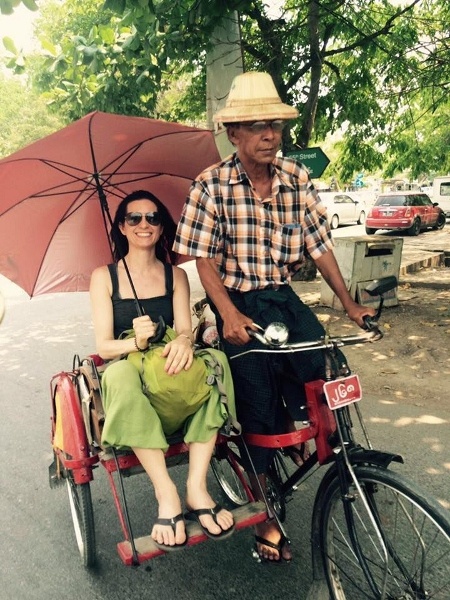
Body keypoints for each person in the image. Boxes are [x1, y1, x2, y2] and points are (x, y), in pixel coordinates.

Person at [173, 72, 376, 563]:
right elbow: (203, 261)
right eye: (257, 126)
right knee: (257, 404)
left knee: (325, 366)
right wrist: (228, 315)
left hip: (282, 298)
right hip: (238, 301)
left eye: (276, 126)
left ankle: (337, 456)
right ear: (234, 134)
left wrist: (349, 304)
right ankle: (265, 507)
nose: (270, 135)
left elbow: (319, 247)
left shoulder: (296, 178)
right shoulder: (211, 185)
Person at [89, 190, 235, 551]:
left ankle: (196, 488)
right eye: (134, 218)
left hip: (169, 357)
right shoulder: (104, 277)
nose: (144, 224)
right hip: (130, 364)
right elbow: (104, 346)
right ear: (122, 227)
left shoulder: (176, 276)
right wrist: (135, 343)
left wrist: (184, 341)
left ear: (161, 227)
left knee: (216, 363)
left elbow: (184, 329)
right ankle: (166, 492)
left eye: (153, 218)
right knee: (118, 375)